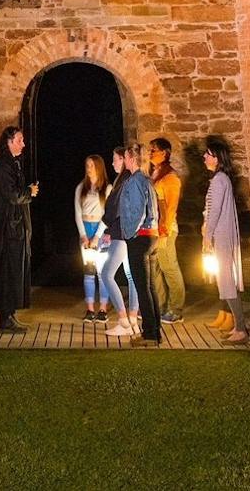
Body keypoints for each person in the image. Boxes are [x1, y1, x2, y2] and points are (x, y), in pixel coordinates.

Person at [0, 124, 38, 332]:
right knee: (7, 270)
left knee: (14, 271)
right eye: (20, 139)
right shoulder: (4, 166)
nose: (23, 143)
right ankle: (6, 317)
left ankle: (9, 314)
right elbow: (12, 195)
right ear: (10, 142)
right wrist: (29, 191)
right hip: (7, 229)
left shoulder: (13, 164)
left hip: (15, 227)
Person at [111, 142, 162, 346]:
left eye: (126, 157)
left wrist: (128, 232)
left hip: (140, 237)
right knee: (149, 287)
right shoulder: (147, 180)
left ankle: (150, 334)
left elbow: (138, 212)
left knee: (143, 287)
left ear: (131, 159)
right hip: (151, 235)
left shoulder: (135, 181)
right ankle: (155, 331)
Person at [202, 135, 247, 343]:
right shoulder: (218, 179)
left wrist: (208, 236)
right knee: (224, 280)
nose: (204, 157)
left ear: (218, 158)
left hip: (221, 236)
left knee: (227, 281)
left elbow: (216, 211)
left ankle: (241, 328)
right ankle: (237, 326)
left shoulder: (220, 180)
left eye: (209, 154)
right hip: (219, 234)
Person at [147, 137, 186, 322]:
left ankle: (176, 309)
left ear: (164, 153)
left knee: (169, 266)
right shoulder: (154, 174)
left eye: (153, 150)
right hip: (154, 229)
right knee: (155, 268)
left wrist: (164, 232)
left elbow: (170, 208)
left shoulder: (170, 178)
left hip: (166, 229)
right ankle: (160, 305)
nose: (150, 153)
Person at [97, 146, 136, 329]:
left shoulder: (125, 180)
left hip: (121, 233)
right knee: (130, 275)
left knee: (106, 274)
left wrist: (107, 231)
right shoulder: (125, 179)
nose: (113, 162)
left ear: (125, 159)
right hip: (124, 232)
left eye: (116, 159)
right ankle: (133, 317)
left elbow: (114, 208)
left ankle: (123, 319)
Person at [74, 154, 110, 323]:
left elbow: (107, 214)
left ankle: (103, 308)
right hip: (86, 229)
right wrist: (83, 235)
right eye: (87, 165)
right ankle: (90, 309)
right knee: (89, 269)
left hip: (101, 230)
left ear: (99, 167)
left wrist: (97, 236)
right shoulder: (81, 188)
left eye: (92, 165)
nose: (89, 168)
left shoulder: (107, 189)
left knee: (102, 271)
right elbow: (78, 212)